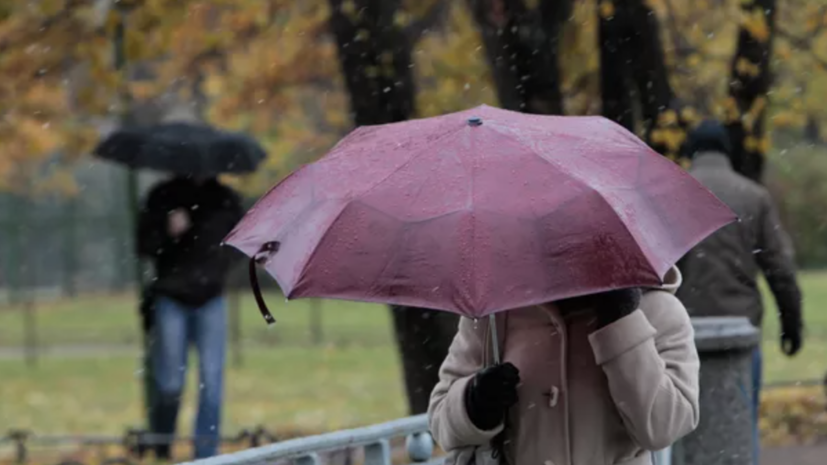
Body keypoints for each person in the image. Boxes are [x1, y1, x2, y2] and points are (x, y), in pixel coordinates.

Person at [428, 266, 699, 465]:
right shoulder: (495, 313)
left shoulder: (659, 310)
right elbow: (440, 418)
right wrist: (475, 403)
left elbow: (664, 427)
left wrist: (622, 320)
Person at [676, 120, 803, 463]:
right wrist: (792, 324)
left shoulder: (674, 193)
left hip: (683, 331)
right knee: (739, 422)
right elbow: (780, 269)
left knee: (682, 429)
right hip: (739, 329)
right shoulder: (754, 196)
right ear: (727, 151)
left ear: (691, 152)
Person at [137, 175, 243, 459]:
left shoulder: (225, 199)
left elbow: (243, 242)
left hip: (211, 299)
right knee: (169, 383)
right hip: (171, 298)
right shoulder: (162, 196)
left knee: (212, 380)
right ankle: (161, 444)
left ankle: (206, 454)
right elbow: (144, 245)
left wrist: (217, 266)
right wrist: (168, 232)